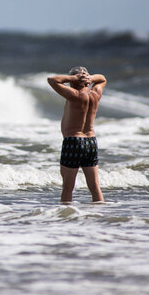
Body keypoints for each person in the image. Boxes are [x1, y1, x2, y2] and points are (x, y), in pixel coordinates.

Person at [47, 67, 107, 203]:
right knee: (94, 185)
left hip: (73, 141)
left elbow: (52, 80)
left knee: (68, 187)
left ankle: (65, 219)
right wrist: (90, 78)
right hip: (91, 141)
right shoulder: (95, 93)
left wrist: (73, 78)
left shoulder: (74, 94)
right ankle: (100, 215)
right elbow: (102, 78)